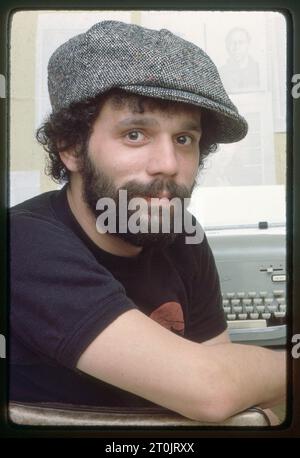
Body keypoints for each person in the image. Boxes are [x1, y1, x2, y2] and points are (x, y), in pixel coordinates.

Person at [10, 20, 285, 423]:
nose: (169, 165)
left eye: (184, 139)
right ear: (70, 148)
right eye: (135, 134)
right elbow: (212, 388)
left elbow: (225, 372)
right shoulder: (21, 243)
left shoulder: (184, 236)